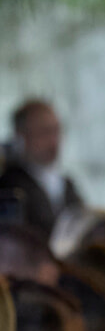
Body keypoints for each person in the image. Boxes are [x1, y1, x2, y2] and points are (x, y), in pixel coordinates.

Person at [0, 101, 83, 239]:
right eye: (44, 132)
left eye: (56, 131)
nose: (53, 141)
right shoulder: (9, 186)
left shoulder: (66, 185)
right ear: (22, 136)